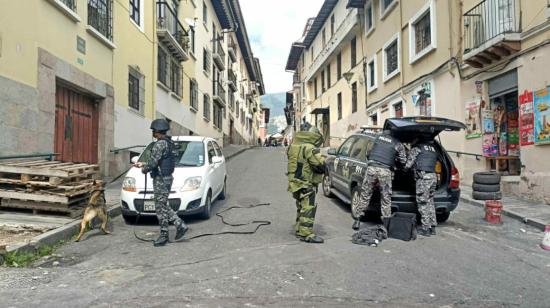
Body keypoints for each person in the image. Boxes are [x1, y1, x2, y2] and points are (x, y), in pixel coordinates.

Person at [134, 119, 188, 246]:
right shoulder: (169, 143)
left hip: (160, 179)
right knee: (163, 204)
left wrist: (143, 168)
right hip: (167, 177)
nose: (153, 133)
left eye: (153, 131)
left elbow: (153, 163)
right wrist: (144, 163)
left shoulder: (159, 144)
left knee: (160, 206)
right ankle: (176, 226)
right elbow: (160, 161)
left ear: (157, 131)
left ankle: (170, 230)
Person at [353, 130, 407, 231]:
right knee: (385, 198)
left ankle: (357, 220)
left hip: (371, 168)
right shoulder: (397, 143)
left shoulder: (377, 138)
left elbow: (369, 152)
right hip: (385, 171)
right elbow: (403, 161)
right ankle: (386, 225)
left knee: (365, 194)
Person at [287, 123, 326, 243]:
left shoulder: (293, 146)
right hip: (306, 182)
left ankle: (299, 229)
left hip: (295, 181)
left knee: (301, 206)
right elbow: (320, 165)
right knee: (308, 207)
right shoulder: (310, 148)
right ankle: (306, 234)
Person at [405, 139, 438, 236]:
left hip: (423, 178)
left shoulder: (417, 148)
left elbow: (408, 164)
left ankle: (425, 229)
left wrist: (405, 168)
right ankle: (433, 228)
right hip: (433, 177)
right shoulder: (433, 149)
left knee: (423, 203)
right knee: (430, 202)